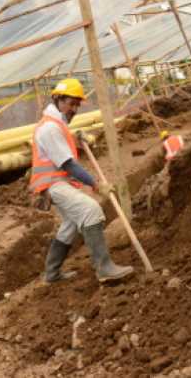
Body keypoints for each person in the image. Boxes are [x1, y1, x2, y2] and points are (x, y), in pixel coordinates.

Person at [30, 78, 134, 284]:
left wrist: (77, 138)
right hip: (53, 184)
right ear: (58, 99)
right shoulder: (50, 128)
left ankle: (52, 274)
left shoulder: (56, 125)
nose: (74, 109)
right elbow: (68, 164)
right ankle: (104, 268)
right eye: (71, 103)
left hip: (56, 183)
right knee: (91, 210)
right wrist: (96, 185)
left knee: (70, 224)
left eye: (77, 104)